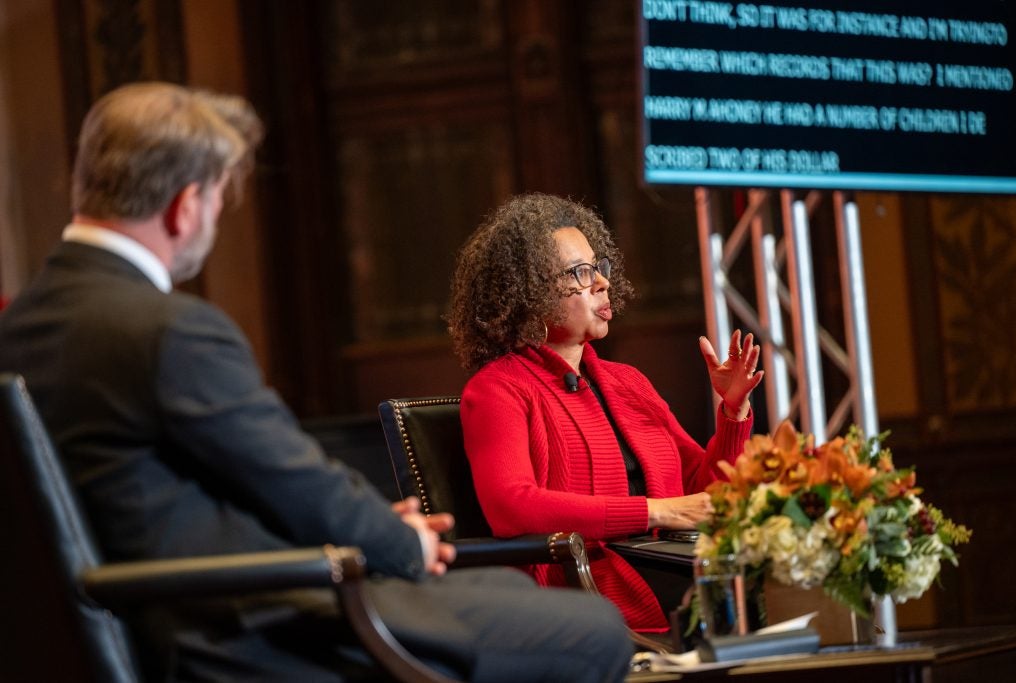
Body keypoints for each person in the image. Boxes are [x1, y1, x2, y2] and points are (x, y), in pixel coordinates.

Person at [0, 83, 632, 682]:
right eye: (219, 199)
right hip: (244, 632)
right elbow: (293, 479)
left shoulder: (20, 328)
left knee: (498, 589)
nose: (215, 217)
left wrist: (368, 527)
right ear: (186, 206)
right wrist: (399, 540)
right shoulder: (170, 331)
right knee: (591, 628)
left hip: (148, 620)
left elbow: (184, 487)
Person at [448, 193, 764, 633]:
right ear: (529, 293)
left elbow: (702, 493)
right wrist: (655, 512)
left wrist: (733, 412)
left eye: (599, 268)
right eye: (580, 272)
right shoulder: (498, 389)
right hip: (586, 598)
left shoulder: (627, 382)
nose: (601, 283)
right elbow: (512, 508)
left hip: (676, 575)